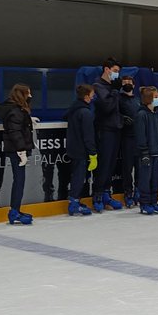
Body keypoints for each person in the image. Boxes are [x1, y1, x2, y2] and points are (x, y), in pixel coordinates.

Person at [0, 83, 36, 225]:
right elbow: (14, 131)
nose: (31, 96)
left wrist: (28, 121)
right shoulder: (15, 111)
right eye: (28, 94)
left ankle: (15, 210)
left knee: (19, 180)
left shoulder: (16, 109)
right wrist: (21, 151)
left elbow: (17, 124)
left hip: (17, 150)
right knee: (19, 181)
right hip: (16, 151)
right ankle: (14, 211)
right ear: (22, 95)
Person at [91, 58, 125, 213]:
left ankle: (106, 193)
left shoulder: (112, 87)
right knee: (104, 163)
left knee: (111, 164)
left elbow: (118, 107)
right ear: (106, 69)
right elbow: (107, 107)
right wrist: (115, 91)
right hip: (104, 129)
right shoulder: (98, 86)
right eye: (115, 71)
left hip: (116, 128)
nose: (117, 74)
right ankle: (97, 195)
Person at [64, 84, 97, 216]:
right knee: (79, 176)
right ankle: (74, 203)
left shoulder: (74, 109)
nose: (93, 97)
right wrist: (93, 153)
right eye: (92, 95)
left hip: (73, 148)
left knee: (77, 175)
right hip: (81, 150)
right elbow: (88, 135)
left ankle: (75, 201)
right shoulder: (85, 112)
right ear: (86, 96)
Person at [134, 85, 158, 214]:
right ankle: (145, 202)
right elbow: (141, 135)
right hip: (147, 153)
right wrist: (144, 152)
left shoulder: (156, 114)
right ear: (148, 98)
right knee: (145, 179)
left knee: (155, 178)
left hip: (157, 151)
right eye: (155, 97)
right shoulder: (141, 115)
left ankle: (153, 201)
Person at [117, 72, 138, 207]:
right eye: (124, 83)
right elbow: (113, 114)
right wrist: (121, 118)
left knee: (140, 167)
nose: (127, 85)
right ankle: (128, 192)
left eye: (129, 83)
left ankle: (139, 191)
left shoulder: (138, 100)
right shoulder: (118, 99)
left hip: (139, 138)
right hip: (126, 138)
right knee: (127, 167)